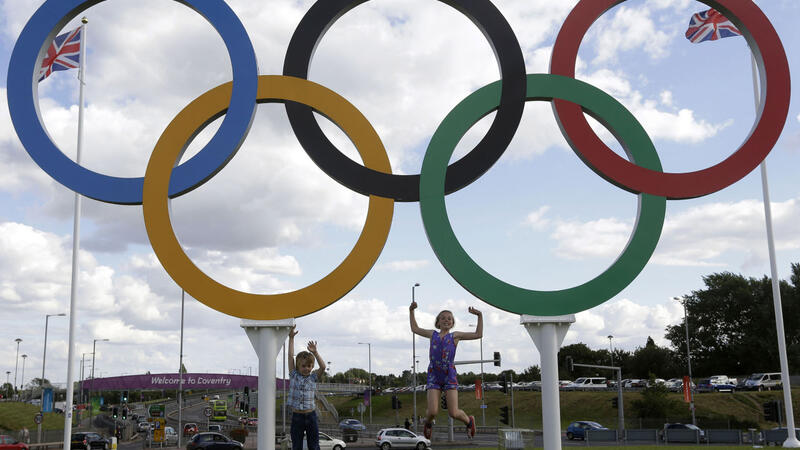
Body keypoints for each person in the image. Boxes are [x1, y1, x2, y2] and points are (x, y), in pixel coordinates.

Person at [410, 302, 482, 439]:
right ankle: (428, 423)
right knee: (432, 411)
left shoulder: (455, 336)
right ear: (438, 322)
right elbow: (415, 328)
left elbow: (478, 334)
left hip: (449, 375)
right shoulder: (432, 334)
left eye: (449, 318)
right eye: (443, 318)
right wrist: (411, 311)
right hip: (434, 374)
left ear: (453, 323)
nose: (446, 320)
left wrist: (479, 316)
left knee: (453, 413)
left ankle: (469, 421)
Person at [287, 325, 326, 450]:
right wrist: (291, 338)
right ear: (298, 366)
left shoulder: (313, 377)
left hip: (311, 416)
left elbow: (323, 367)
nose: (306, 368)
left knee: (314, 446)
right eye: (303, 366)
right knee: (296, 446)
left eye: (309, 366)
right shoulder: (294, 375)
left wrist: (315, 352)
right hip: (297, 417)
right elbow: (290, 356)